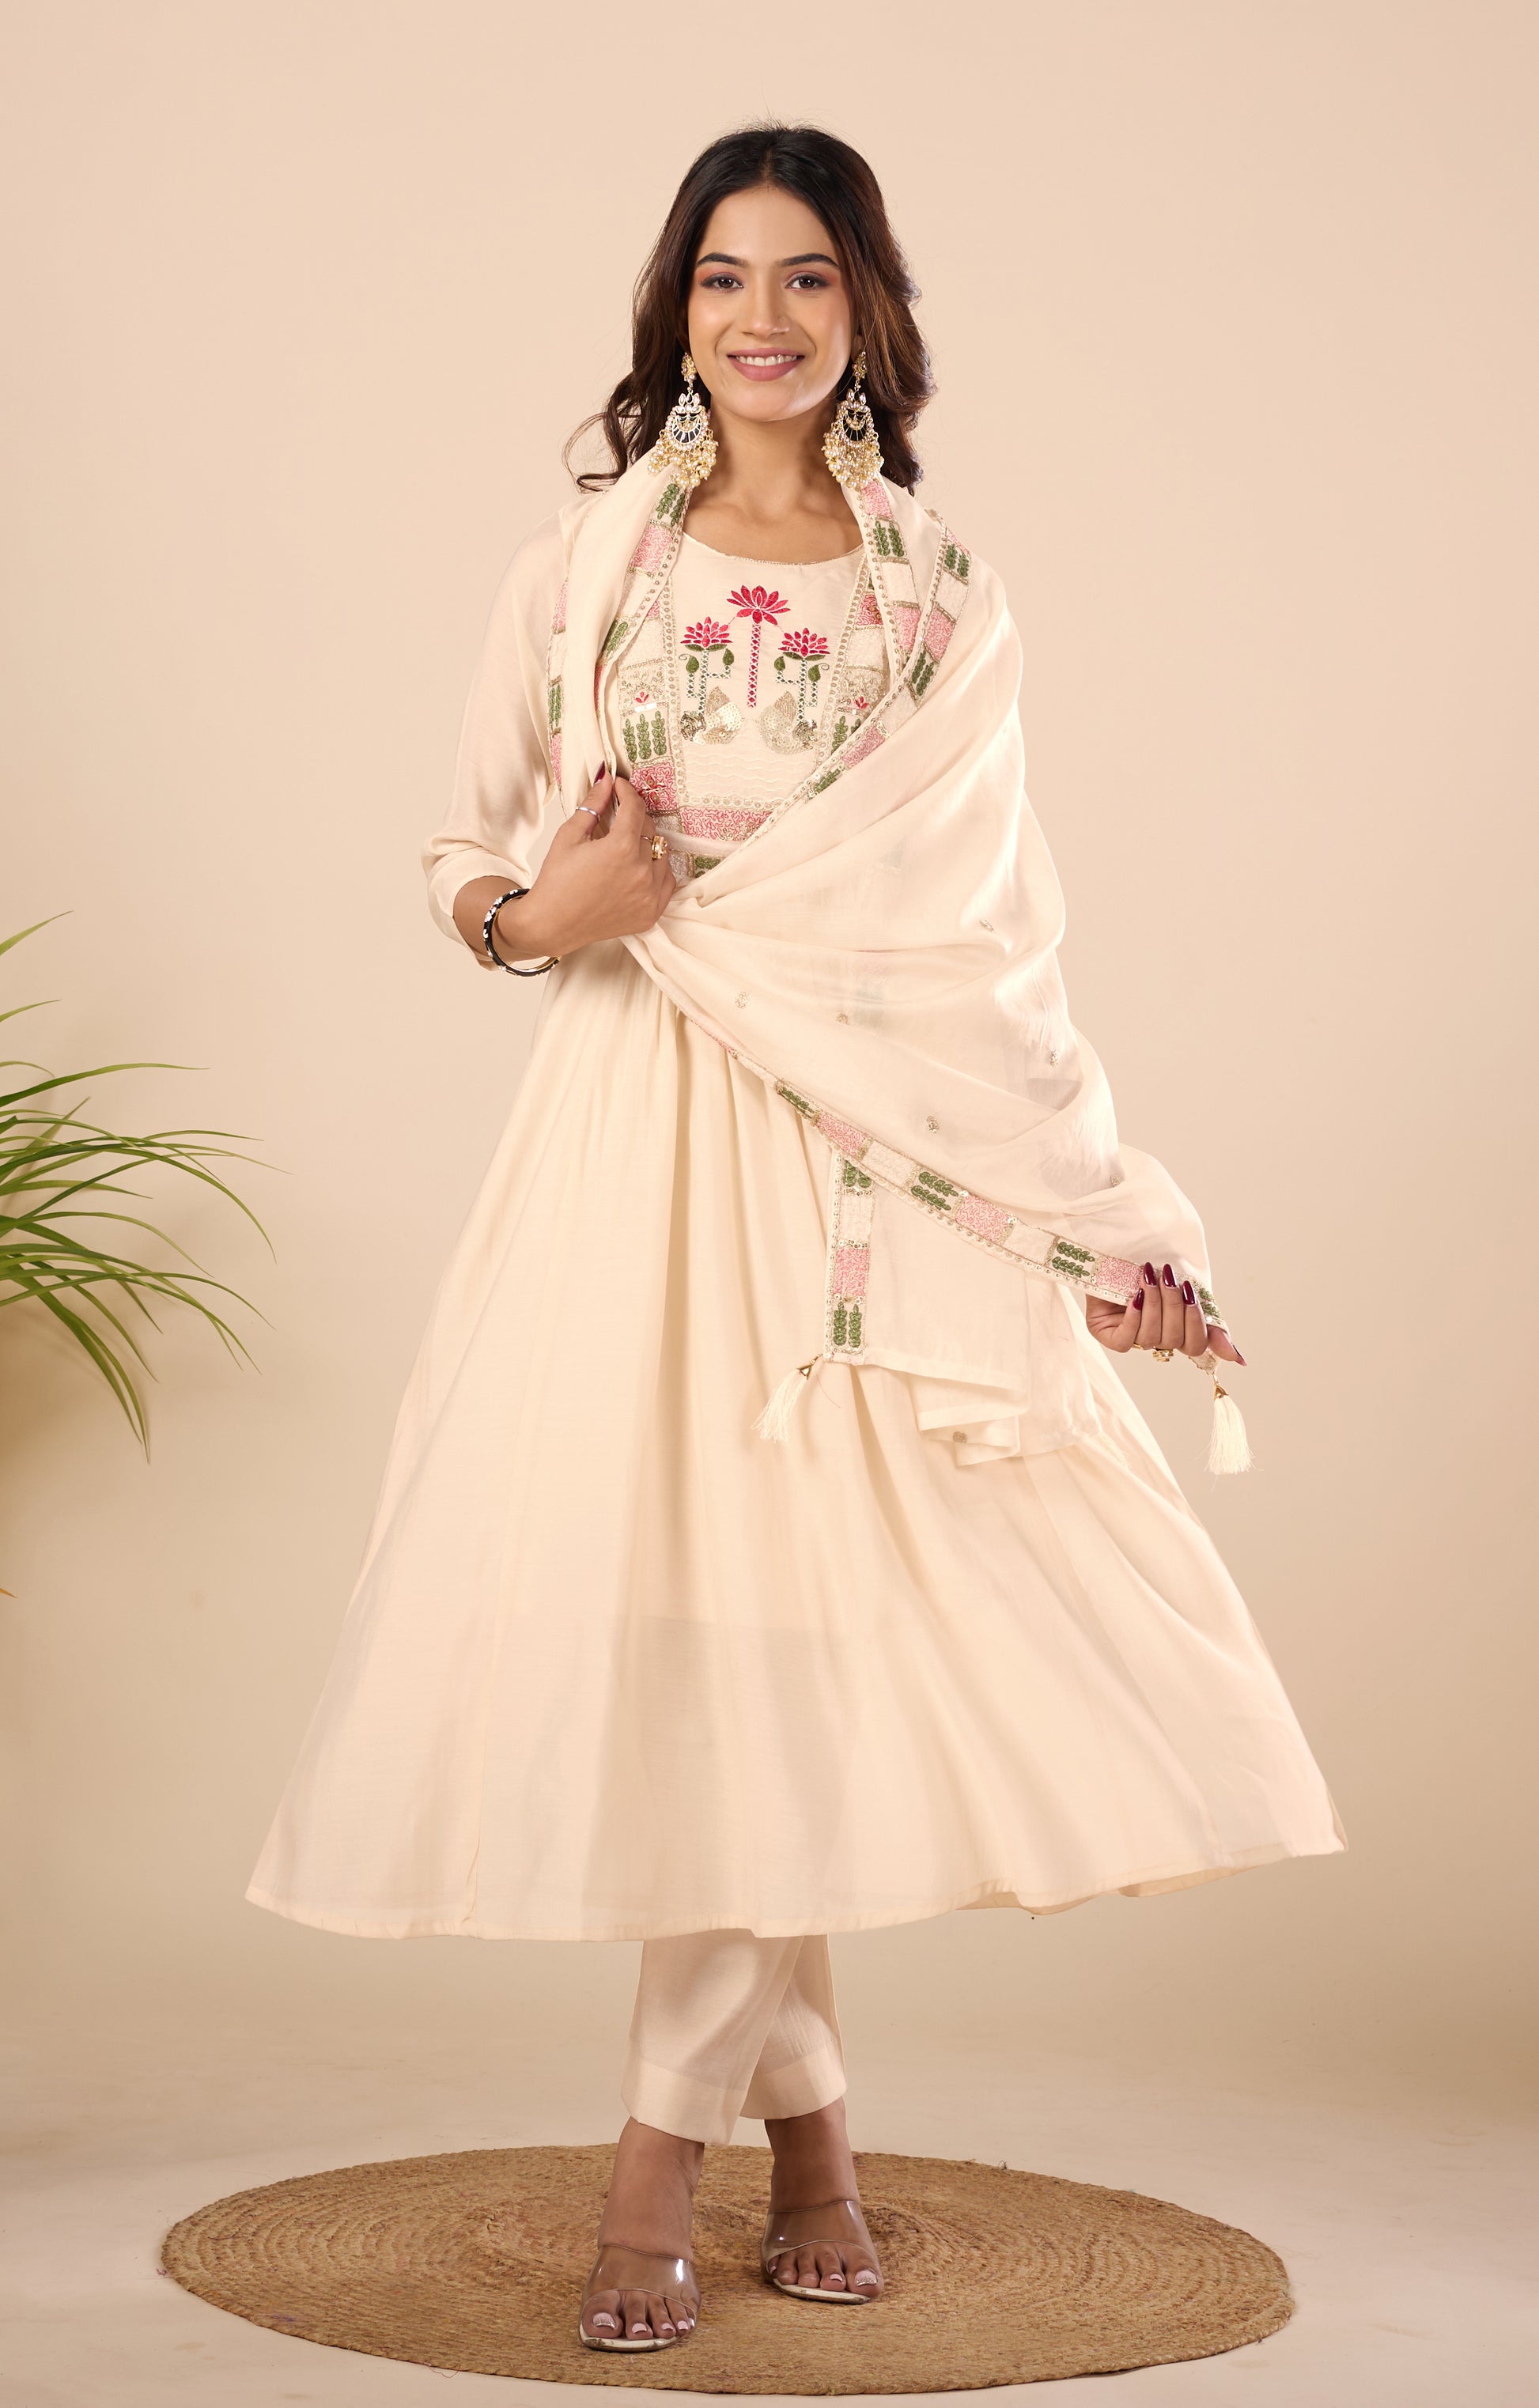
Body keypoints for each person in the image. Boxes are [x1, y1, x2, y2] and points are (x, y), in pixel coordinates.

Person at [248, 122, 1344, 2355]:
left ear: (869, 311)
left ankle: (656, 2175)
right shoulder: (581, 571)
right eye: (724, 278)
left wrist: (1097, 1216)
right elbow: (467, 852)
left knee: (787, 1649)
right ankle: (816, 2142)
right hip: (636, 1146)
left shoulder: (941, 597)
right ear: (677, 311)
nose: (763, 318)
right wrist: (550, 913)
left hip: (862, 1176)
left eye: (809, 278)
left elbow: (989, 950)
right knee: (710, 1641)